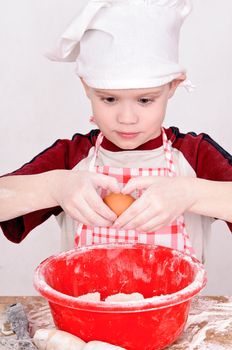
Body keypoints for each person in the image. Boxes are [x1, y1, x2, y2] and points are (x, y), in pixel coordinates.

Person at [0, 0, 231, 263]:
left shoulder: (194, 155)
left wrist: (191, 193)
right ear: (86, 86)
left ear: (173, 86)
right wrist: (55, 187)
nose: (127, 118)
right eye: (109, 99)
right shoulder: (72, 157)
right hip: (88, 304)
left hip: (173, 306)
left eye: (145, 100)